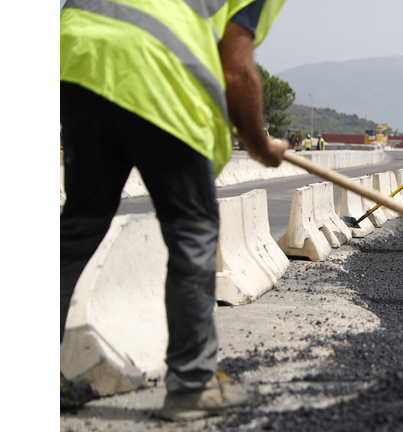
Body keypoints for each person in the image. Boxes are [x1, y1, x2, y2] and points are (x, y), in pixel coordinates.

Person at [59, 0, 289, 420]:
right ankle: (191, 385)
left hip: (80, 59)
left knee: (76, 228)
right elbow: (236, 68)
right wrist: (259, 144)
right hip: (160, 74)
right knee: (192, 231)